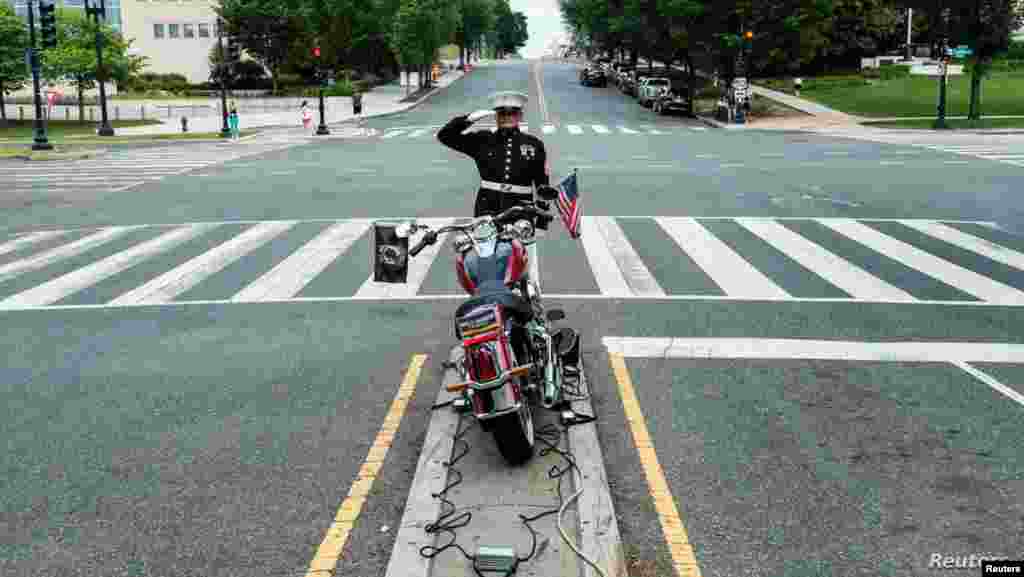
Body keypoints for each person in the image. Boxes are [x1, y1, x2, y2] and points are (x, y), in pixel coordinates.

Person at [437, 91, 557, 217]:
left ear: (520, 116)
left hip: (522, 209)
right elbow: (445, 136)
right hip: (486, 207)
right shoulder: (482, 139)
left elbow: (542, 187)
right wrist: (468, 119)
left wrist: (541, 224)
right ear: (496, 116)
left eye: (512, 113)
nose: (507, 117)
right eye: (502, 114)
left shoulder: (534, 144)